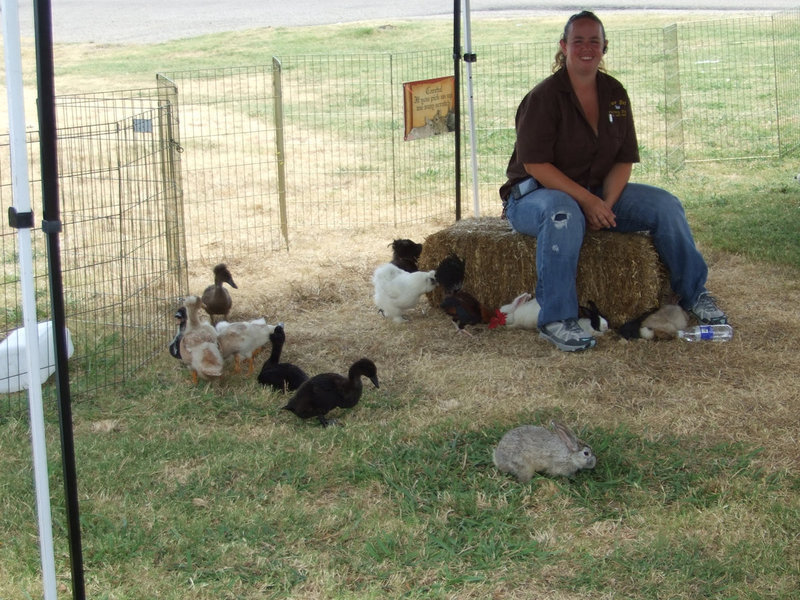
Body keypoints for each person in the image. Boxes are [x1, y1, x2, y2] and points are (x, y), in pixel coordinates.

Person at [499, 10, 727, 352]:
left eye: (595, 41)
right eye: (578, 41)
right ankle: (557, 319)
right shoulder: (544, 97)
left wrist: (604, 204)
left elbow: (623, 159)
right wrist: (587, 203)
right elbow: (536, 165)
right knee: (564, 212)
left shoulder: (615, 93)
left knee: (666, 205)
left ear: (605, 47)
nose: (587, 48)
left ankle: (694, 294)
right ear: (564, 46)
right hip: (536, 197)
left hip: (594, 193)